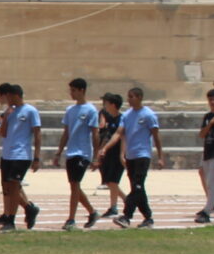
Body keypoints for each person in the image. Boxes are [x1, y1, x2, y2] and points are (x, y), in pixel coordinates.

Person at [106, 86, 159, 228]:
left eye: (131, 96)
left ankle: (126, 216)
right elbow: (119, 133)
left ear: (139, 97)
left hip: (142, 155)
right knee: (137, 188)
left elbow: (156, 136)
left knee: (137, 186)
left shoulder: (148, 115)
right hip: (131, 156)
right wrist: (105, 148)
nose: (129, 99)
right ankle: (148, 218)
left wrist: (160, 155)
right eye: (128, 96)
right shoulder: (127, 115)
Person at [0, 83, 42, 230]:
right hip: (7, 154)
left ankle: (11, 219)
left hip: (21, 154)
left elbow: (37, 134)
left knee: (14, 186)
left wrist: (37, 157)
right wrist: (6, 118)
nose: (7, 99)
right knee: (7, 188)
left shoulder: (30, 111)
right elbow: (3, 133)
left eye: (9, 96)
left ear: (15, 95)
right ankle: (29, 208)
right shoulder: (10, 112)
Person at [58, 78, 102, 230]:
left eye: (74, 90)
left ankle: (71, 219)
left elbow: (95, 133)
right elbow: (66, 132)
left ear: (82, 90)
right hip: (71, 151)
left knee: (75, 184)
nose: (71, 93)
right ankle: (92, 212)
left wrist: (95, 156)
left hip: (83, 153)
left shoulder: (91, 110)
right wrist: (59, 152)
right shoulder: (70, 110)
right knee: (74, 185)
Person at [95, 91, 126, 222]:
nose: (104, 105)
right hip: (109, 153)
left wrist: (121, 154)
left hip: (117, 154)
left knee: (113, 181)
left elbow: (120, 137)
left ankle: (115, 206)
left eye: (106, 103)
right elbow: (107, 136)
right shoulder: (111, 118)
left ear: (113, 105)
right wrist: (100, 150)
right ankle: (124, 201)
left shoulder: (122, 119)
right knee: (109, 181)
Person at [198, 88, 214, 224]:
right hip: (208, 152)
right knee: (209, 182)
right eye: (210, 100)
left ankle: (207, 211)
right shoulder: (208, 117)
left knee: (212, 184)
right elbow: (202, 134)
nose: (212, 102)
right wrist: (211, 123)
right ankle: (211, 206)